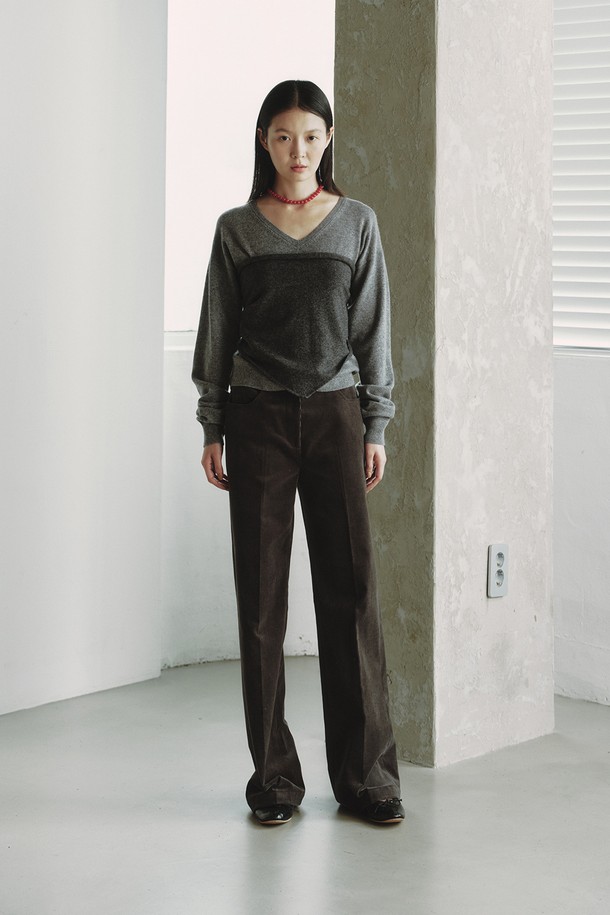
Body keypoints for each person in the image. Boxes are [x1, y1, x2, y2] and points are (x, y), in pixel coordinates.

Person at [191, 79, 404, 827]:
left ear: (328, 138)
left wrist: (375, 425)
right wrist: (212, 425)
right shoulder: (237, 229)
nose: (298, 150)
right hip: (258, 420)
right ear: (265, 141)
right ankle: (274, 778)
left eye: (311, 136)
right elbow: (217, 329)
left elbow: (372, 328)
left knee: (352, 595)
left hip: (338, 416)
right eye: (284, 136)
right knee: (261, 600)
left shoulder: (357, 223)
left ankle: (368, 777)